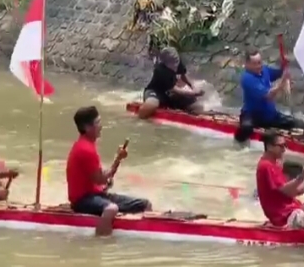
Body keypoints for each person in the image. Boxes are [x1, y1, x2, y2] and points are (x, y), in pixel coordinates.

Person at [67, 105, 152, 237]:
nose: (101, 126)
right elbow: (101, 178)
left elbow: (99, 179)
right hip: (82, 201)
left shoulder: (89, 144)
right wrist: (118, 159)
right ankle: (100, 245)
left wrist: (106, 180)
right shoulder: (85, 149)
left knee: (145, 204)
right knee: (111, 208)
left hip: (94, 194)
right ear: (87, 128)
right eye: (97, 123)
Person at [235, 51, 299, 143]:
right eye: (255, 64)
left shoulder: (264, 70)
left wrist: (283, 65)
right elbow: (268, 96)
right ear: (247, 64)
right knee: (246, 128)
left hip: (270, 115)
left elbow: (279, 73)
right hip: (252, 116)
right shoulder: (247, 78)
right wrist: (282, 83)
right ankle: (237, 144)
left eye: (260, 62)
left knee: (295, 123)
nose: (259, 66)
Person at [137, 46, 205, 119]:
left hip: (169, 94)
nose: (175, 65)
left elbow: (183, 76)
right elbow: (175, 89)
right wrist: (194, 93)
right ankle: (139, 119)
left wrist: (192, 87)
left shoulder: (177, 62)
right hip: (156, 91)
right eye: (173, 63)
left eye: (176, 61)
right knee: (152, 105)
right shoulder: (160, 70)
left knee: (196, 105)